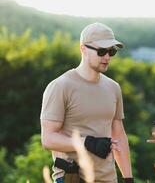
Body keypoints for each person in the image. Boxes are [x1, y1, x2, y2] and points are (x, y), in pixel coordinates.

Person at [40, 22, 134, 183]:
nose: (107, 57)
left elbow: (118, 134)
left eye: (111, 51)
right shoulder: (60, 86)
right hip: (72, 178)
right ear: (83, 48)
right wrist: (86, 142)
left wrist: (128, 178)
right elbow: (48, 139)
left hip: (109, 179)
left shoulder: (113, 87)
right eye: (101, 51)